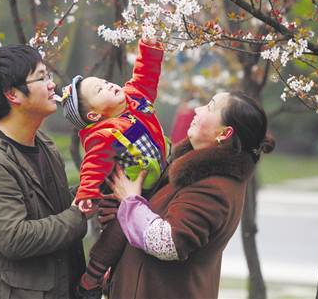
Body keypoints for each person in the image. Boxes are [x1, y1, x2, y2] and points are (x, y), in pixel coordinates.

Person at [105, 91, 275, 299]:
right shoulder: (197, 171)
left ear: (225, 133)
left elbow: (168, 243)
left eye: (210, 107)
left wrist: (131, 202)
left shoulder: (213, 188)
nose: (197, 109)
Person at [0, 45, 87, 299]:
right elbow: (15, 238)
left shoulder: (43, 144)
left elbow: (54, 208)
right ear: (13, 94)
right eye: (41, 78)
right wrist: (80, 215)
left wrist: (95, 190)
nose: (52, 85)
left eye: (48, 76)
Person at [61, 38, 168, 296]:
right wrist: (86, 193)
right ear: (95, 116)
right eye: (100, 91)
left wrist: (150, 49)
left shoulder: (135, 97)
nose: (109, 84)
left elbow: (145, 75)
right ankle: (93, 276)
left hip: (157, 177)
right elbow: (93, 165)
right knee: (117, 231)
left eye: (104, 82)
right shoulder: (104, 134)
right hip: (124, 196)